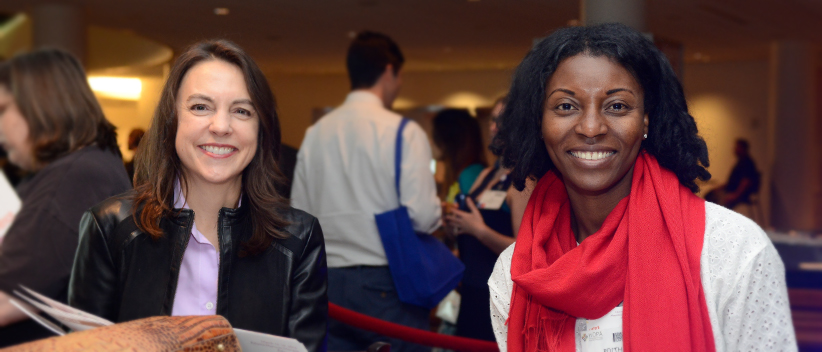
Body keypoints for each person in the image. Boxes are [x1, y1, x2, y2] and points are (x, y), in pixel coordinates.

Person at [488, 23, 796, 352]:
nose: (591, 127)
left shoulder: (732, 250)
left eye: (617, 106)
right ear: (540, 123)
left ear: (646, 121)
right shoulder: (516, 272)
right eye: (566, 106)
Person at [68, 40, 328, 352]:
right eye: (200, 107)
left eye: (242, 111)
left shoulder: (298, 238)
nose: (221, 126)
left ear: (260, 129)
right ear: (172, 120)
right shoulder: (109, 228)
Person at [291, 31, 440, 352]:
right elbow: (424, 217)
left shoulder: (315, 134)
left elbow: (299, 215)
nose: (398, 85)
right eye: (399, 77)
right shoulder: (404, 132)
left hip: (326, 282)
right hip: (386, 282)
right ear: (389, 71)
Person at [0, 49, 131, 346]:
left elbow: (7, 299)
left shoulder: (74, 179)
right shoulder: (89, 165)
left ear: (39, 107)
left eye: (3, 109)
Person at [441, 99, 532, 342]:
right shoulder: (484, 174)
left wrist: (478, 230)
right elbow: (464, 235)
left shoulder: (524, 181)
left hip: (499, 296)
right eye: (493, 120)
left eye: (502, 121)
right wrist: (454, 227)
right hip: (469, 289)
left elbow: (523, 252)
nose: (494, 127)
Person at [431, 108, 487, 200]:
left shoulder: (469, 176)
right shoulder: (464, 173)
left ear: (446, 142)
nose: (431, 142)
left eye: (434, 136)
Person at [705, 138, 760, 210]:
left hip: (739, 194)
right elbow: (732, 181)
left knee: (713, 200)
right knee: (709, 195)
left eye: (737, 147)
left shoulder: (747, 163)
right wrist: (718, 188)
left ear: (743, 148)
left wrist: (735, 195)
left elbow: (746, 182)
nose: (735, 149)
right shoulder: (740, 162)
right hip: (731, 191)